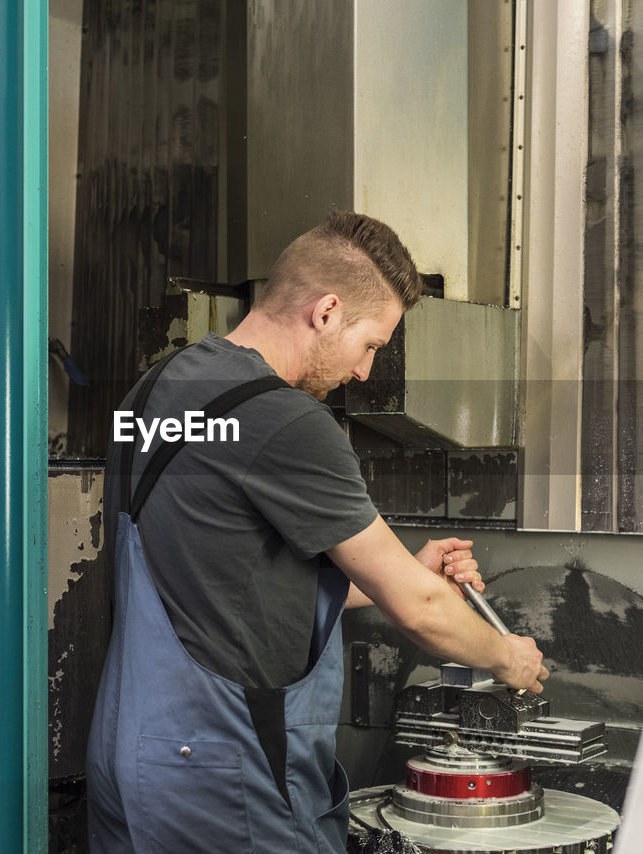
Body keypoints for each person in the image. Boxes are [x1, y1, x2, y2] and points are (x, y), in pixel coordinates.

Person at [86, 210, 548, 853]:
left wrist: (397, 570)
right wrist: (509, 658)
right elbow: (420, 608)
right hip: (226, 775)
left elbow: (222, 579)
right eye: (372, 345)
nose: (363, 372)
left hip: (130, 758)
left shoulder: (153, 392)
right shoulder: (285, 420)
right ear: (327, 311)